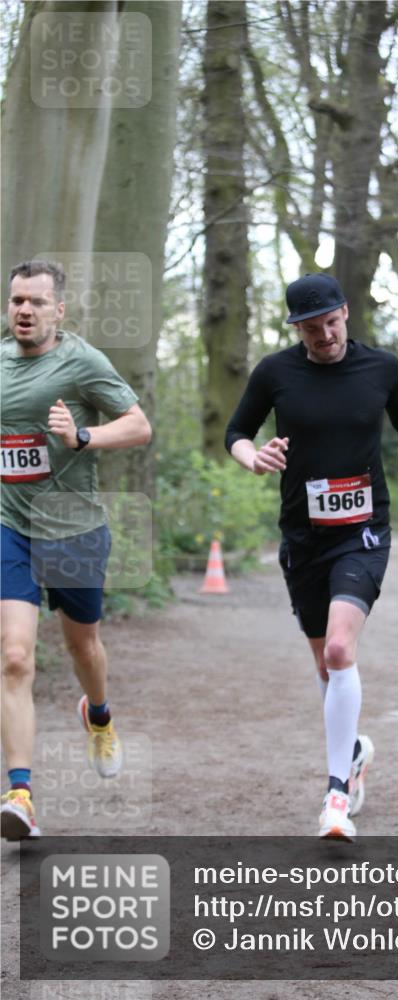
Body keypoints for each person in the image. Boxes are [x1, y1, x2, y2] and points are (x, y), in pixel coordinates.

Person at [225, 272, 398, 840]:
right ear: (296, 328)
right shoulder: (275, 373)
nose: (325, 335)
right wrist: (253, 457)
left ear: (345, 312)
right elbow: (237, 432)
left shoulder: (383, 368)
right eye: (312, 327)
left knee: (343, 649)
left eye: (331, 321)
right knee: (327, 666)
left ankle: (335, 798)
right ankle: (354, 751)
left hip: (364, 530)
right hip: (303, 537)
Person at [1, 260, 152, 840]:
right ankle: (21, 795)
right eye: (17, 300)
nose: (24, 310)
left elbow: (138, 426)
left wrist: (82, 436)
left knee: (82, 645)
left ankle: (99, 714)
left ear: (58, 311)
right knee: (14, 656)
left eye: (36, 302)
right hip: (9, 525)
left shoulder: (82, 361)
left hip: (73, 527)